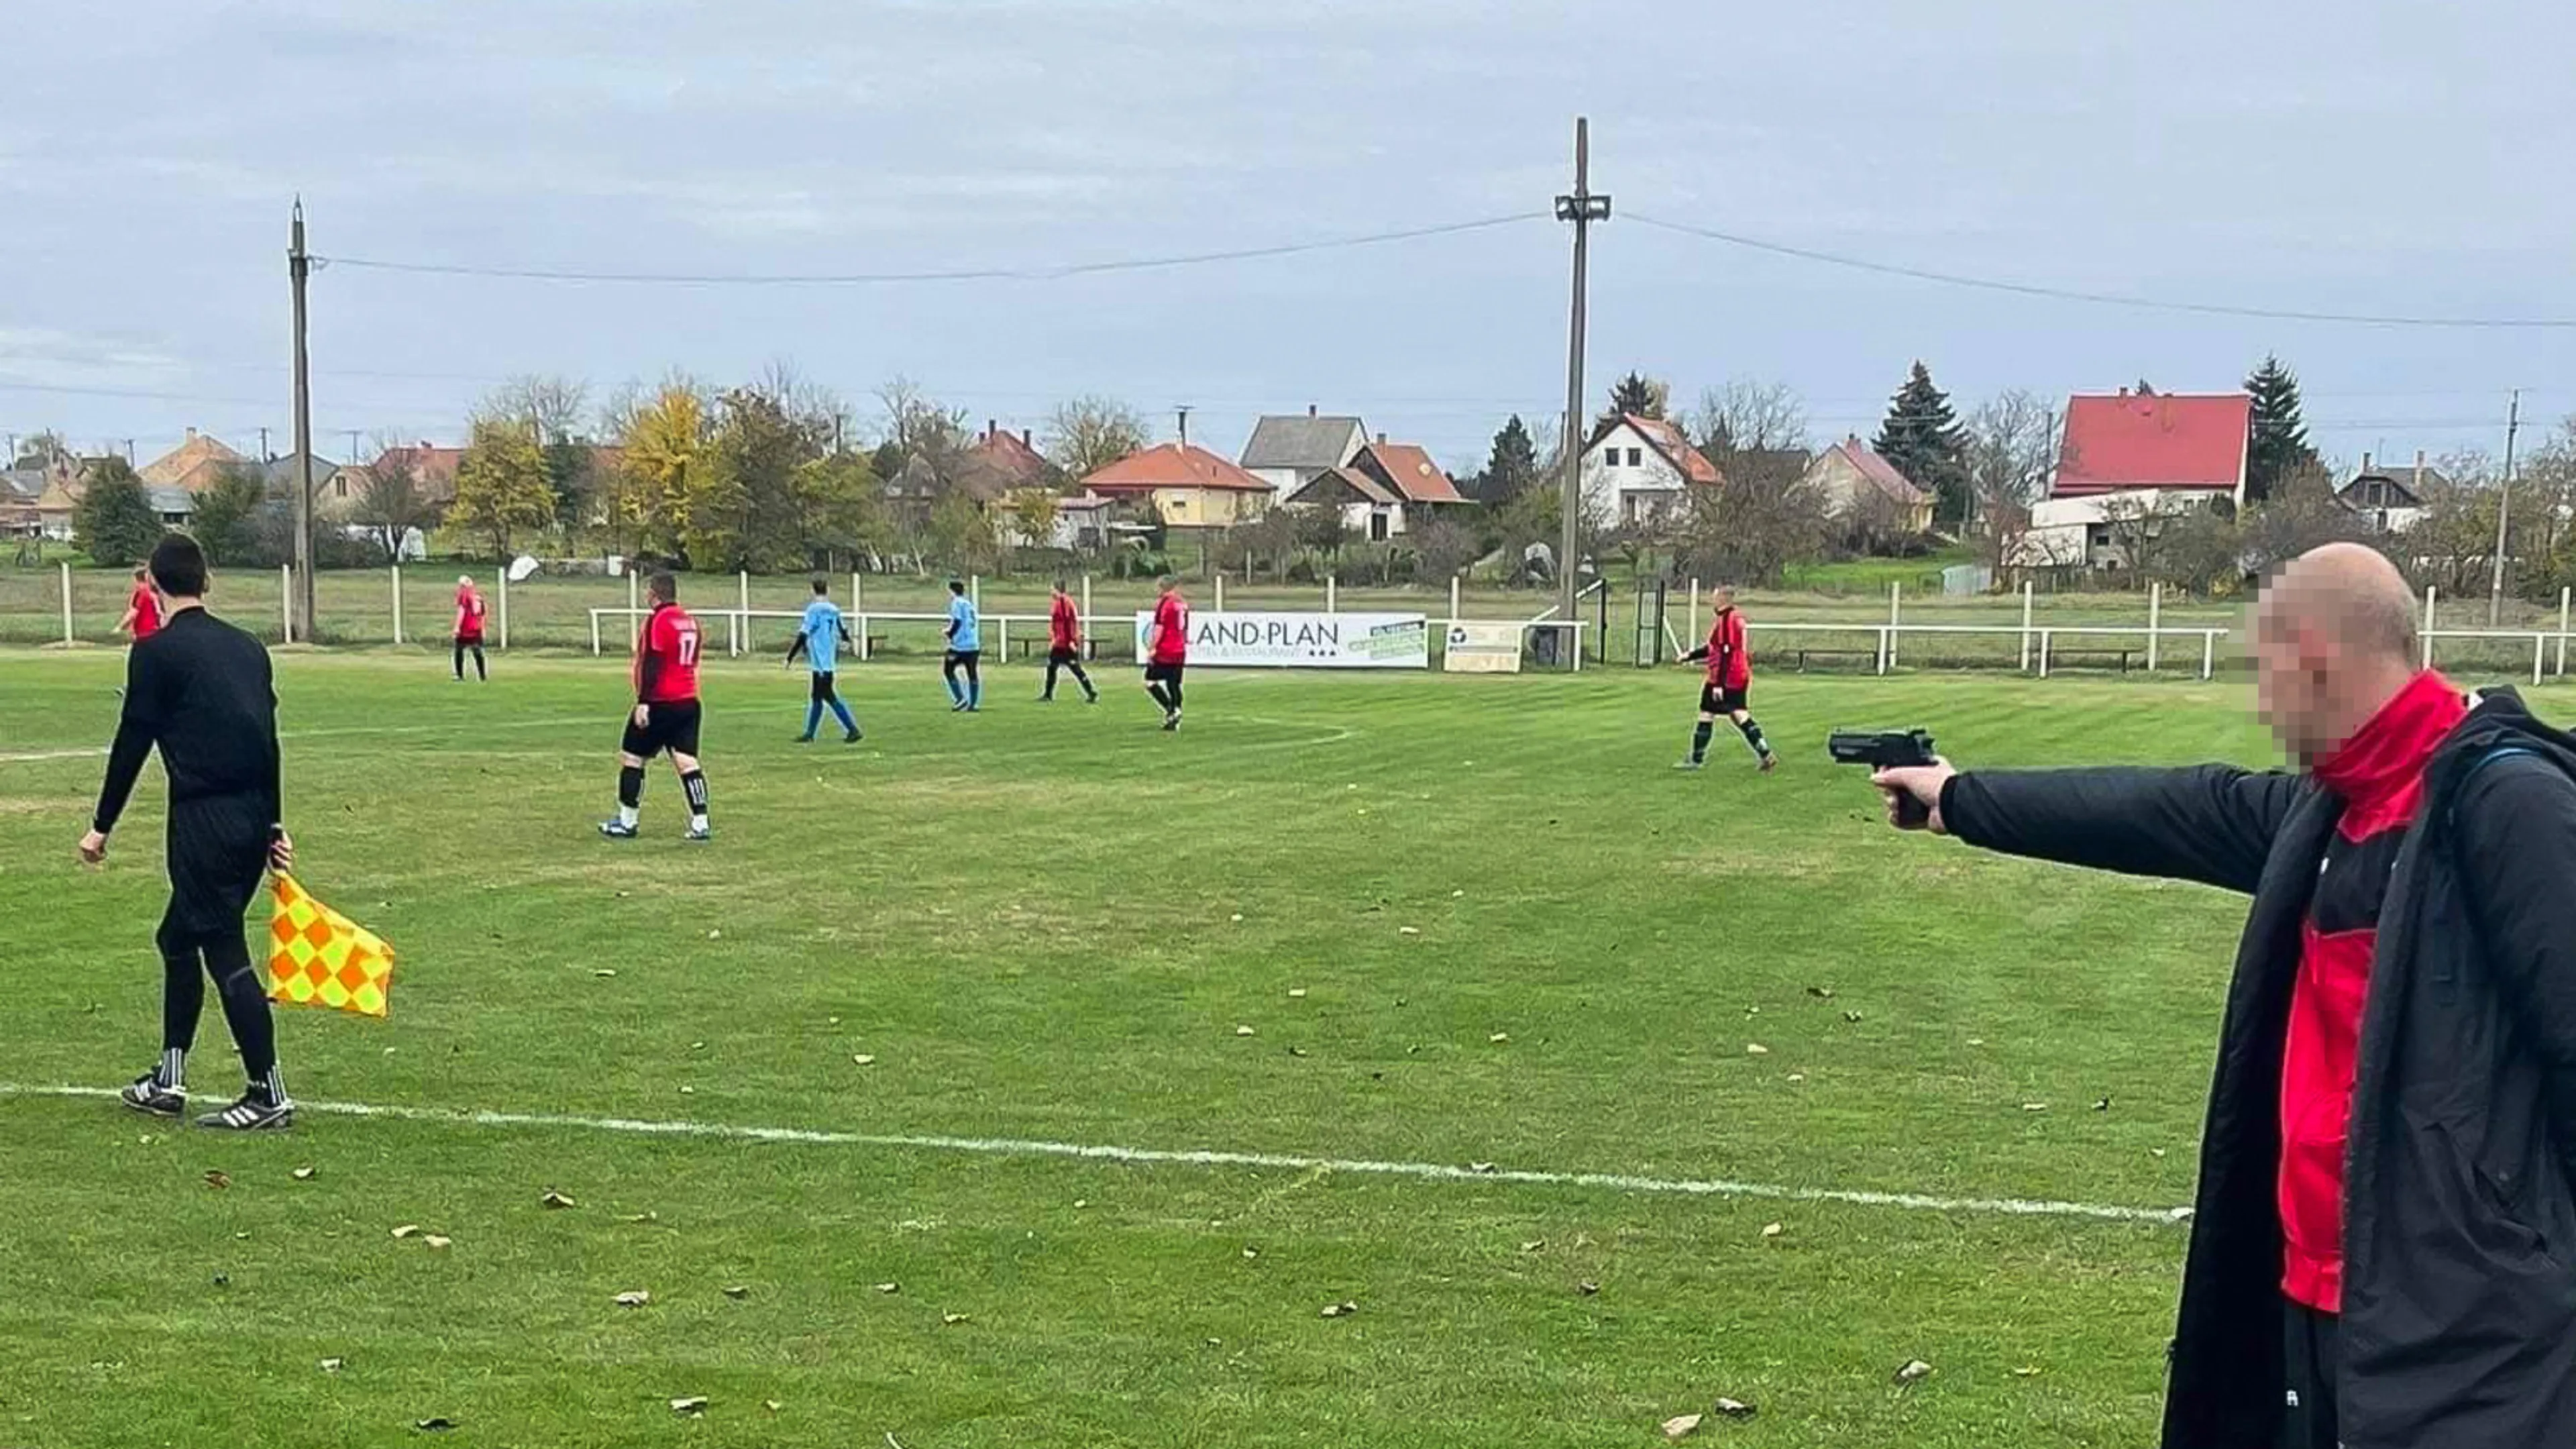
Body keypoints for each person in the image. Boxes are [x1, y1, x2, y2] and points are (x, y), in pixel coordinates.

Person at [1871, 543, 2576, 1448]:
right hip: (2317, 1310)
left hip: (2475, 1345)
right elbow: (2167, 811)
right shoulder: (2327, 814)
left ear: (2315, 659)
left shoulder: (2509, 804)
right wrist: (1960, 801)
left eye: (2265, 671)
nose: (2261, 701)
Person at [80, 534, 297, 1132]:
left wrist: (101, 827)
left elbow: (132, 743)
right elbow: (267, 740)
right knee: (177, 938)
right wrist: (274, 822)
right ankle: (168, 1079)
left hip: (205, 819)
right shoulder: (249, 648)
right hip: (250, 814)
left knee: (222, 947)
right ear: (208, 581)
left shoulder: (155, 654)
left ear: (153, 584)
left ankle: (268, 1092)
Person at [600, 572, 710, 843]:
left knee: (632, 757)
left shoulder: (659, 620)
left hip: (662, 700)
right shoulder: (690, 621)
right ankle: (701, 822)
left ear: (655, 593)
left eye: (648, 590)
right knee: (686, 761)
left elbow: (653, 662)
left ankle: (627, 822)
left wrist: (644, 702)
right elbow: (693, 660)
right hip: (688, 700)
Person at [1675, 585, 1776, 773]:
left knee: (1707, 712)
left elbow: (1726, 652)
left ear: (1722, 599)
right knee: (1739, 714)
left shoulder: (1728, 621)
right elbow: (1714, 648)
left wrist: (1719, 684)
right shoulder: (1734, 618)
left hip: (1725, 676)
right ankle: (1765, 753)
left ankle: (1696, 760)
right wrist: (1689, 655)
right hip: (1740, 674)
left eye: (1714, 597)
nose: (1712, 600)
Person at [786, 576, 862, 743]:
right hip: (827, 661)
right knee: (817, 697)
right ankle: (810, 734)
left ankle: (853, 730)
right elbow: (843, 631)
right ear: (828, 590)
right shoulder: (834, 609)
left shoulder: (813, 610)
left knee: (828, 696)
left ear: (812, 591)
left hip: (820, 663)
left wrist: (790, 657)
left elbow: (803, 634)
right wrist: (846, 641)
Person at [1142, 575, 1188, 731]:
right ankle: (1175, 715)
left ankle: (1171, 710)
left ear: (1163, 587)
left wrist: (1153, 648)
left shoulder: (1165, 604)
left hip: (1166, 649)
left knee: (1150, 680)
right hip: (1180, 649)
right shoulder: (1182, 603)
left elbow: (1159, 628)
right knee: (1174, 684)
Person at [1040, 578, 1097, 703]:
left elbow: (1068, 623)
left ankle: (1091, 692)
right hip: (1059, 643)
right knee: (1052, 667)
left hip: (1065, 644)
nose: (1050, 592)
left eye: (1052, 589)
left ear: (1057, 590)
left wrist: (1071, 641)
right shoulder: (1058, 603)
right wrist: (1054, 638)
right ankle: (1048, 694)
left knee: (1075, 668)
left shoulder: (1064, 603)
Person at [941, 578, 983, 713]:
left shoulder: (957, 603)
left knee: (948, 669)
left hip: (959, 647)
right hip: (974, 645)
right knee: (972, 673)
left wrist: (950, 633)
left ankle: (960, 699)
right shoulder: (968, 604)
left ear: (951, 591)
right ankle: (974, 704)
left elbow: (958, 622)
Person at [452, 574, 488, 682]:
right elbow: (482, 614)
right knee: (477, 652)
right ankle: (482, 676)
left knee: (459, 651)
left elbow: (461, 612)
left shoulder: (464, 597)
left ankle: (460, 675)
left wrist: (457, 627)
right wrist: (483, 628)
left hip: (465, 628)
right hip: (476, 628)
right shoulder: (478, 598)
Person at [115, 566, 162, 643]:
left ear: (136, 580)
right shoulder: (155, 593)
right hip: (156, 632)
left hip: (143, 633)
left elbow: (133, 613)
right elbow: (159, 612)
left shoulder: (141, 593)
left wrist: (119, 627)